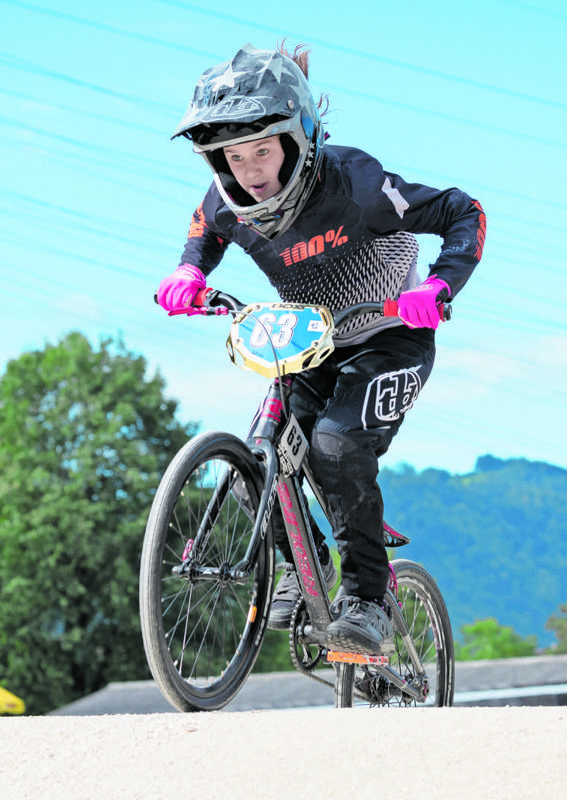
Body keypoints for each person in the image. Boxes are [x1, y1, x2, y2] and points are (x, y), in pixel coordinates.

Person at [157, 43, 485, 655]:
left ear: (299, 138)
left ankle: (367, 598)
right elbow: (204, 233)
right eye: (233, 155)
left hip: (393, 333)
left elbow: (463, 211)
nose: (250, 169)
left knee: (334, 444)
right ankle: (293, 565)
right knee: (271, 446)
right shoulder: (228, 203)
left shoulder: (355, 182)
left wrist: (438, 287)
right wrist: (187, 274)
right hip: (311, 342)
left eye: (262, 149)